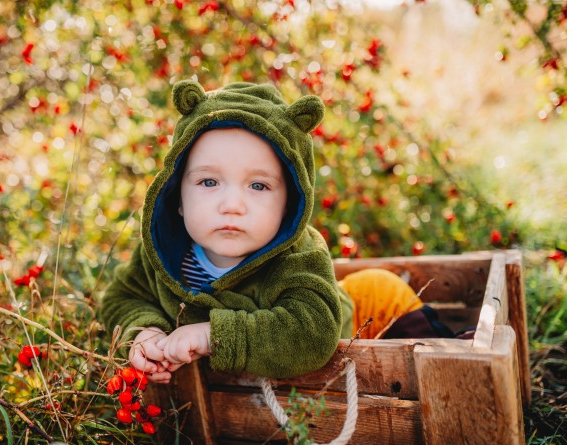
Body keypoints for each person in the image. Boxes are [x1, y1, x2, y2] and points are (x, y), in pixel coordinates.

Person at [99, 80, 457, 384]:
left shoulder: (299, 257)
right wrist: (142, 332)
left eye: (258, 186)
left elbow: (312, 333)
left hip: (371, 307)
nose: (232, 204)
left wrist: (214, 335)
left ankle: (459, 351)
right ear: (177, 195)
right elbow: (122, 298)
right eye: (209, 181)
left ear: (290, 204)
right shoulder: (162, 256)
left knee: (435, 355)